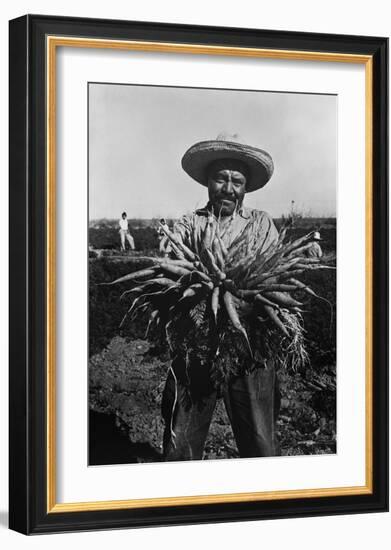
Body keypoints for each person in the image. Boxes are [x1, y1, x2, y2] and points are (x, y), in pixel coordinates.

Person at [161, 133, 281, 461]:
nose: (228, 188)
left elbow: (273, 278)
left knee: (260, 441)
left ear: (245, 187)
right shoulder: (188, 224)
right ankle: (176, 506)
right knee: (181, 442)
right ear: (208, 182)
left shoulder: (261, 224)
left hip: (249, 346)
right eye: (220, 178)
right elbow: (172, 276)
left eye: (236, 181)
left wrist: (246, 300)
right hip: (195, 346)